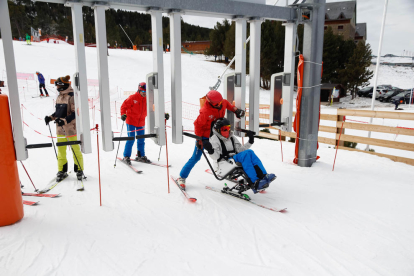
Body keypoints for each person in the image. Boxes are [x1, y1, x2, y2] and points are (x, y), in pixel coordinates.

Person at [176, 90, 245, 189]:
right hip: (205, 137)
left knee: (226, 153)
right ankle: (182, 177)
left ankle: (228, 171)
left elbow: (228, 105)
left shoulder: (222, 102)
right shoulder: (205, 111)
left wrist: (236, 110)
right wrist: (199, 140)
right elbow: (197, 125)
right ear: (211, 103)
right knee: (196, 157)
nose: (220, 104)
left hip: (218, 135)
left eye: (220, 102)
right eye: (218, 103)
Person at [204, 118, 275, 193]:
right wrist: (210, 150)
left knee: (250, 152)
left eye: (228, 127)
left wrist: (250, 141)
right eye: (224, 129)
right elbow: (216, 157)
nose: (227, 130)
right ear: (218, 129)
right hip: (224, 163)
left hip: (234, 158)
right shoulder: (214, 139)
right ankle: (254, 182)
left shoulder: (231, 137)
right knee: (246, 154)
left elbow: (240, 150)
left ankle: (263, 176)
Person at [44, 75, 84, 182]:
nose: (56, 87)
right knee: (61, 151)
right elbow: (58, 113)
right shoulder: (59, 96)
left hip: (71, 129)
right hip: (60, 130)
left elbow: (75, 113)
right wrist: (50, 117)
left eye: (57, 85)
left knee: (75, 150)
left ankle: (79, 170)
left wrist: (65, 120)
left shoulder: (71, 96)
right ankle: (62, 170)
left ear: (62, 85)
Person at [120, 82, 150, 165]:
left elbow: (154, 107)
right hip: (131, 121)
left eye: (146, 92)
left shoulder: (148, 99)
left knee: (141, 139)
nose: (144, 94)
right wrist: (123, 114)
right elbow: (123, 106)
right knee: (131, 139)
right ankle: (126, 156)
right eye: (143, 92)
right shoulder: (132, 98)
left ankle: (140, 155)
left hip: (141, 122)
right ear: (139, 90)